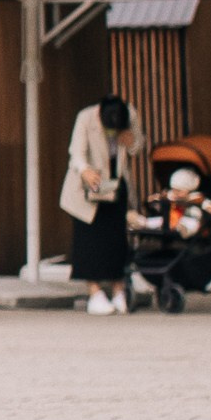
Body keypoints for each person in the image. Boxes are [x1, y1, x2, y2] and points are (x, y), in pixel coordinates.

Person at [62, 93, 143, 314]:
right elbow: (76, 152)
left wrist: (132, 141)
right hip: (89, 186)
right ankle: (95, 293)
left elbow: (137, 145)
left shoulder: (130, 115)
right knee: (89, 240)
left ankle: (119, 291)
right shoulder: (86, 117)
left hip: (116, 184)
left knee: (116, 238)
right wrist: (85, 170)